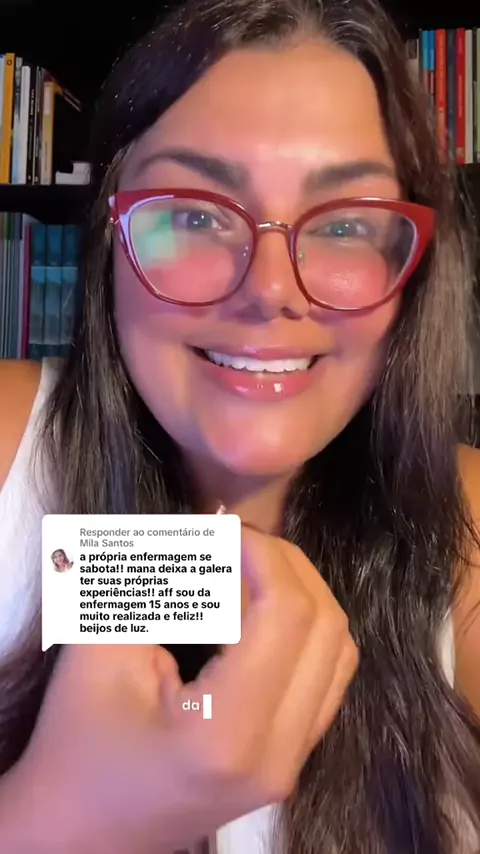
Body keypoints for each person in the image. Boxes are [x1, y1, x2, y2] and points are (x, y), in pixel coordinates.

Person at [0, 0, 479, 850]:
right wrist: (53, 816)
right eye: (195, 215)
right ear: (111, 236)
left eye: (345, 224)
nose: (270, 290)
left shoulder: (468, 523)